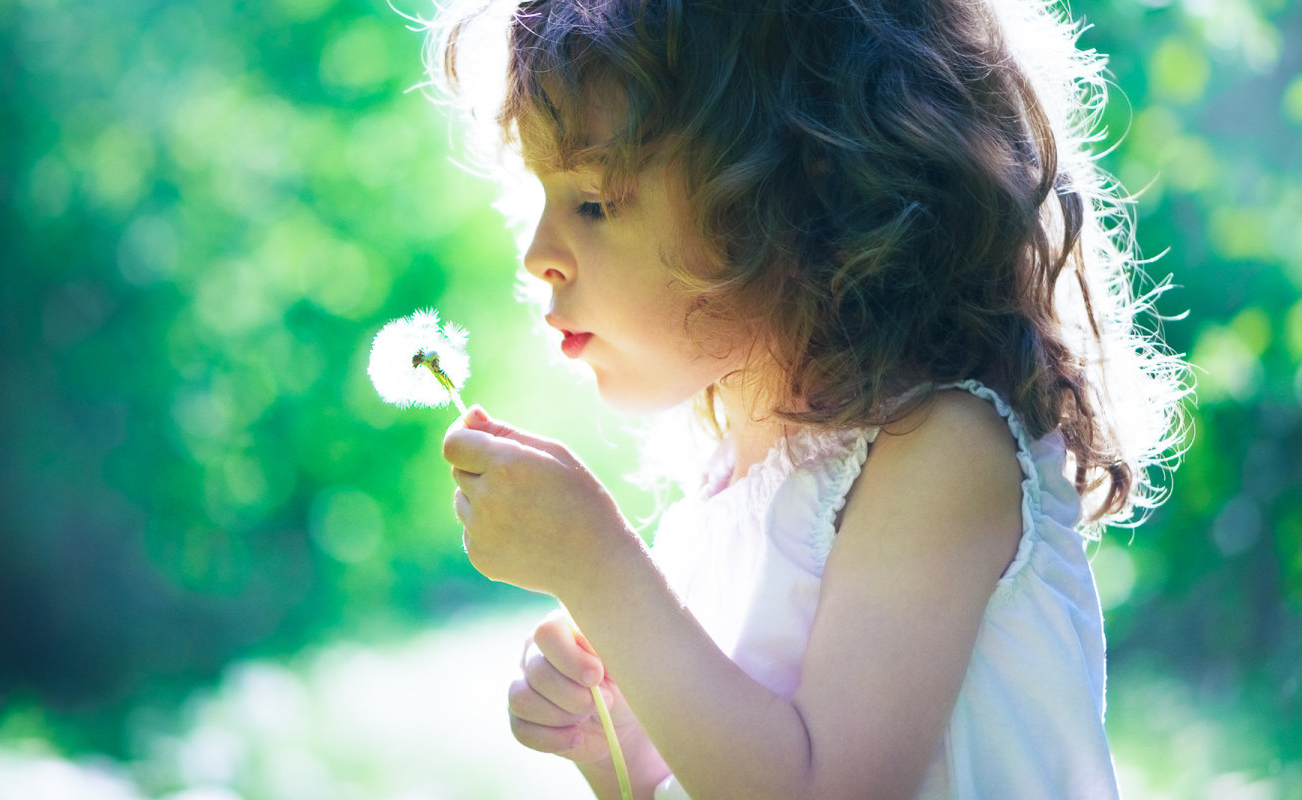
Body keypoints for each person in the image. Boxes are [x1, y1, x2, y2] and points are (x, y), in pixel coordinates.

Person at [428, 0, 1188, 796]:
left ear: (796, 194)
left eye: (593, 203)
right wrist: (626, 752)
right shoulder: (732, 482)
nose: (536, 256)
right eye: (542, 197)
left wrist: (599, 568)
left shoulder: (941, 450)